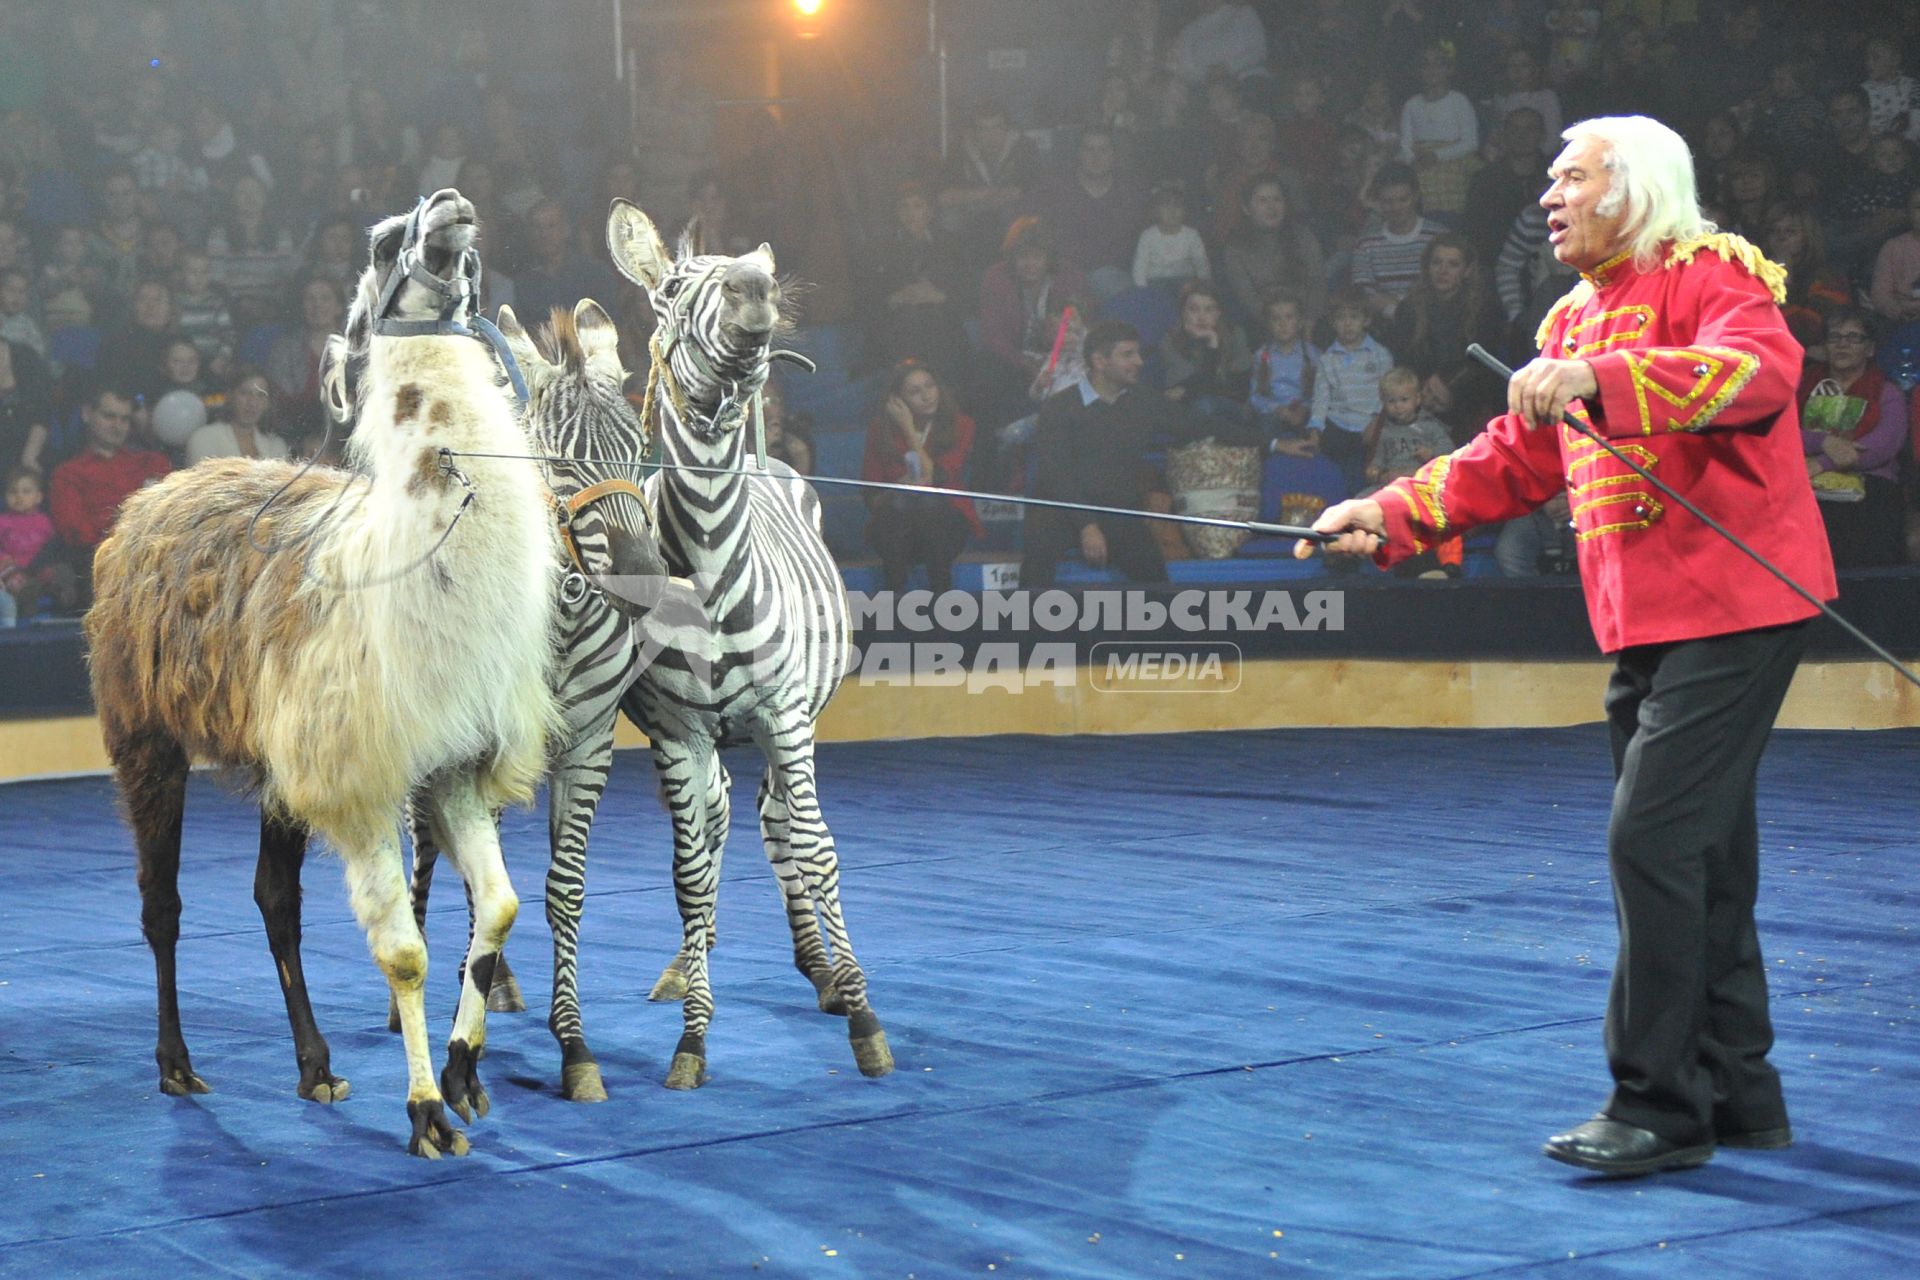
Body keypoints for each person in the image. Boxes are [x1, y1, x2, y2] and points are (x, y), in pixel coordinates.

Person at [1301, 116, 1837, 1178]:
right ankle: (1740, 1090)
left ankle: (1659, 1104)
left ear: (1633, 188)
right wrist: (1387, 510)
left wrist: (1606, 379)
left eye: (1572, 176)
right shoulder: (1576, 315)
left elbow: (1760, 374)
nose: (1549, 195)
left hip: (1735, 600)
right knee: (1703, 853)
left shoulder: (1708, 271)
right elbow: (1512, 457)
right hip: (1652, 617)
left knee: (1651, 839)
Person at [1021, 320, 1206, 589]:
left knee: (1155, 577)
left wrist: (1273, 443)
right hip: (1064, 511)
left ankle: (1162, 630)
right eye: (1128, 355)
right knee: (1039, 548)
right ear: (1100, 361)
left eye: (1138, 353)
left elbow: (1200, 424)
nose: (1139, 362)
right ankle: (1027, 629)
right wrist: (1087, 526)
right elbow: (1057, 474)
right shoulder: (1060, 407)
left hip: (1117, 512)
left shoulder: (1142, 401)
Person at [860, 360, 983, 595]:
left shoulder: (962, 424)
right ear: (898, 401)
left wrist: (908, 429)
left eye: (930, 386)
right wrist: (898, 488)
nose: (927, 396)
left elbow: (935, 477)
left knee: (928, 503)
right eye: (915, 392)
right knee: (897, 507)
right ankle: (896, 599)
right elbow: (871, 495)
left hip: (946, 521)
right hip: (898, 525)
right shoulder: (880, 430)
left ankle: (941, 598)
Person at [1798, 310, 1909, 567]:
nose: (1843, 344)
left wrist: (1823, 463)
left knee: (1870, 527)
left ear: (1869, 349)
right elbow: (1783, 431)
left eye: (1853, 337)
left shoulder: (1887, 390)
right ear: (1825, 347)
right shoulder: (1802, 385)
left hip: (1870, 481)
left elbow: (1883, 446)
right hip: (1804, 478)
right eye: (1835, 337)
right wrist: (1824, 441)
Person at [49, 384, 172, 596]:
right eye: (109, 416)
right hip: (103, 567)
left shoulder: (152, 462)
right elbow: (75, 533)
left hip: (157, 561)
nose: (118, 426)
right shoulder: (68, 473)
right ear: (87, 414)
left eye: (124, 419)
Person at [1358, 366, 1460, 576]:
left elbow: (1451, 454)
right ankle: (1350, 553)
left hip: (1424, 486)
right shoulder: (1384, 431)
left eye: (1404, 400)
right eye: (1391, 402)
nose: (1398, 407)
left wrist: (1432, 453)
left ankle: (1449, 565)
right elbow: (1377, 461)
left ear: (1417, 399)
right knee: (1361, 501)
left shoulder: (1431, 427)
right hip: (1392, 486)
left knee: (1448, 511)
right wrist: (1375, 470)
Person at [1308, 290, 1395, 491]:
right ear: (1332, 323)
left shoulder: (1380, 355)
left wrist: (1377, 421)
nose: (1347, 324)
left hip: (1369, 425)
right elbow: (1321, 398)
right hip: (1337, 425)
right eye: (1341, 318)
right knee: (1329, 470)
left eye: (1354, 317)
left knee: (1359, 473)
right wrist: (1315, 428)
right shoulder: (1327, 359)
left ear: (1366, 320)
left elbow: (1388, 392)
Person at [1349, 164, 1441, 322]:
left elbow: (1444, 291)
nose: (1396, 208)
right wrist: (1400, 312)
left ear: (1416, 196)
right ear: (1378, 201)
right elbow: (1364, 294)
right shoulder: (1366, 243)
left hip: (1432, 323)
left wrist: (1398, 309)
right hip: (1383, 328)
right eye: (1388, 201)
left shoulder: (1439, 237)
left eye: (1403, 200)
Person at [1249, 290, 1318, 450]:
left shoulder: (1313, 354)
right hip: (1274, 413)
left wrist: (1304, 407)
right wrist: (1278, 409)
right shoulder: (1262, 355)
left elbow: (1320, 392)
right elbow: (1255, 396)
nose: (1282, 324)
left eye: (1289, 317)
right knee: (1265, 427)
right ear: (1268, 324)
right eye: (1275, 319)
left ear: (1300, 322)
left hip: (1304, 412)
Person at [187, 367, 289, 466]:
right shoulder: (204, 438)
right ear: (230, 396)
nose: (252, 402)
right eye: (244, 393)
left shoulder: (277, 446)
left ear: (267, 402)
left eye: (261, 395)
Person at [1132, 182, 1211, 291]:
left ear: (1184, 211)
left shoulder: (1192, 235)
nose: (1172, 211)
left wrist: (1205, 285)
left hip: (1184, 281)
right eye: (1166, 206)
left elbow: (1201, 263)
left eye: (1177, 206)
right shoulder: (1148, 236)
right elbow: (1139, 268)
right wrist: (1142, 290)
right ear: (1156, 211)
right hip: (1156, 281)